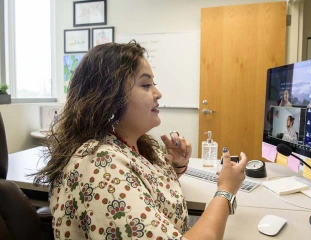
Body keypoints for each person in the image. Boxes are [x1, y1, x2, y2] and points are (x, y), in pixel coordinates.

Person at [34, 41, 248, 240]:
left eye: (154, 84)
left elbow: (144, 186)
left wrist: (177, 165)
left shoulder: (127, 144)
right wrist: (225, 191)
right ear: (108, 96)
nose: (158, 93)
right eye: (146, 85)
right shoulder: (99, 164)